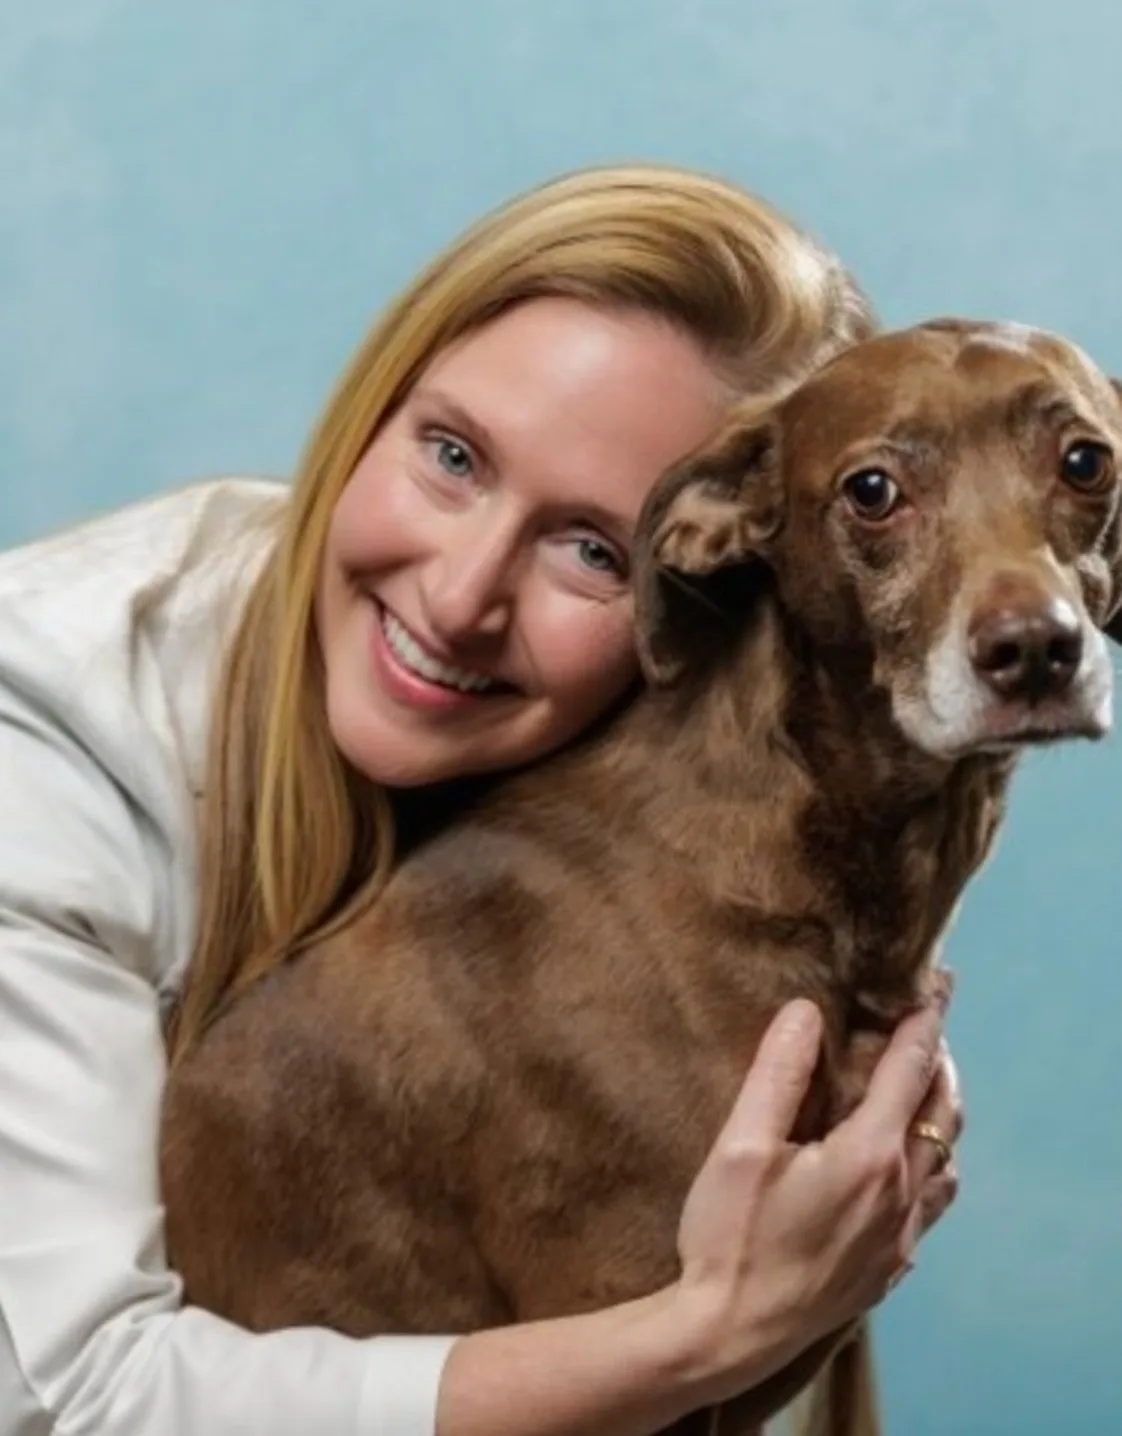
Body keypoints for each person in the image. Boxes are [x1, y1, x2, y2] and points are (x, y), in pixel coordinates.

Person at [0, 163, 962, 1436]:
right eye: (451, 456)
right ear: (374, 403)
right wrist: (706, 1331)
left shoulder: (658, 769)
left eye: (591, 549)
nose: (458, 597)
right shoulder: (43, 729)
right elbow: (76, 1396)